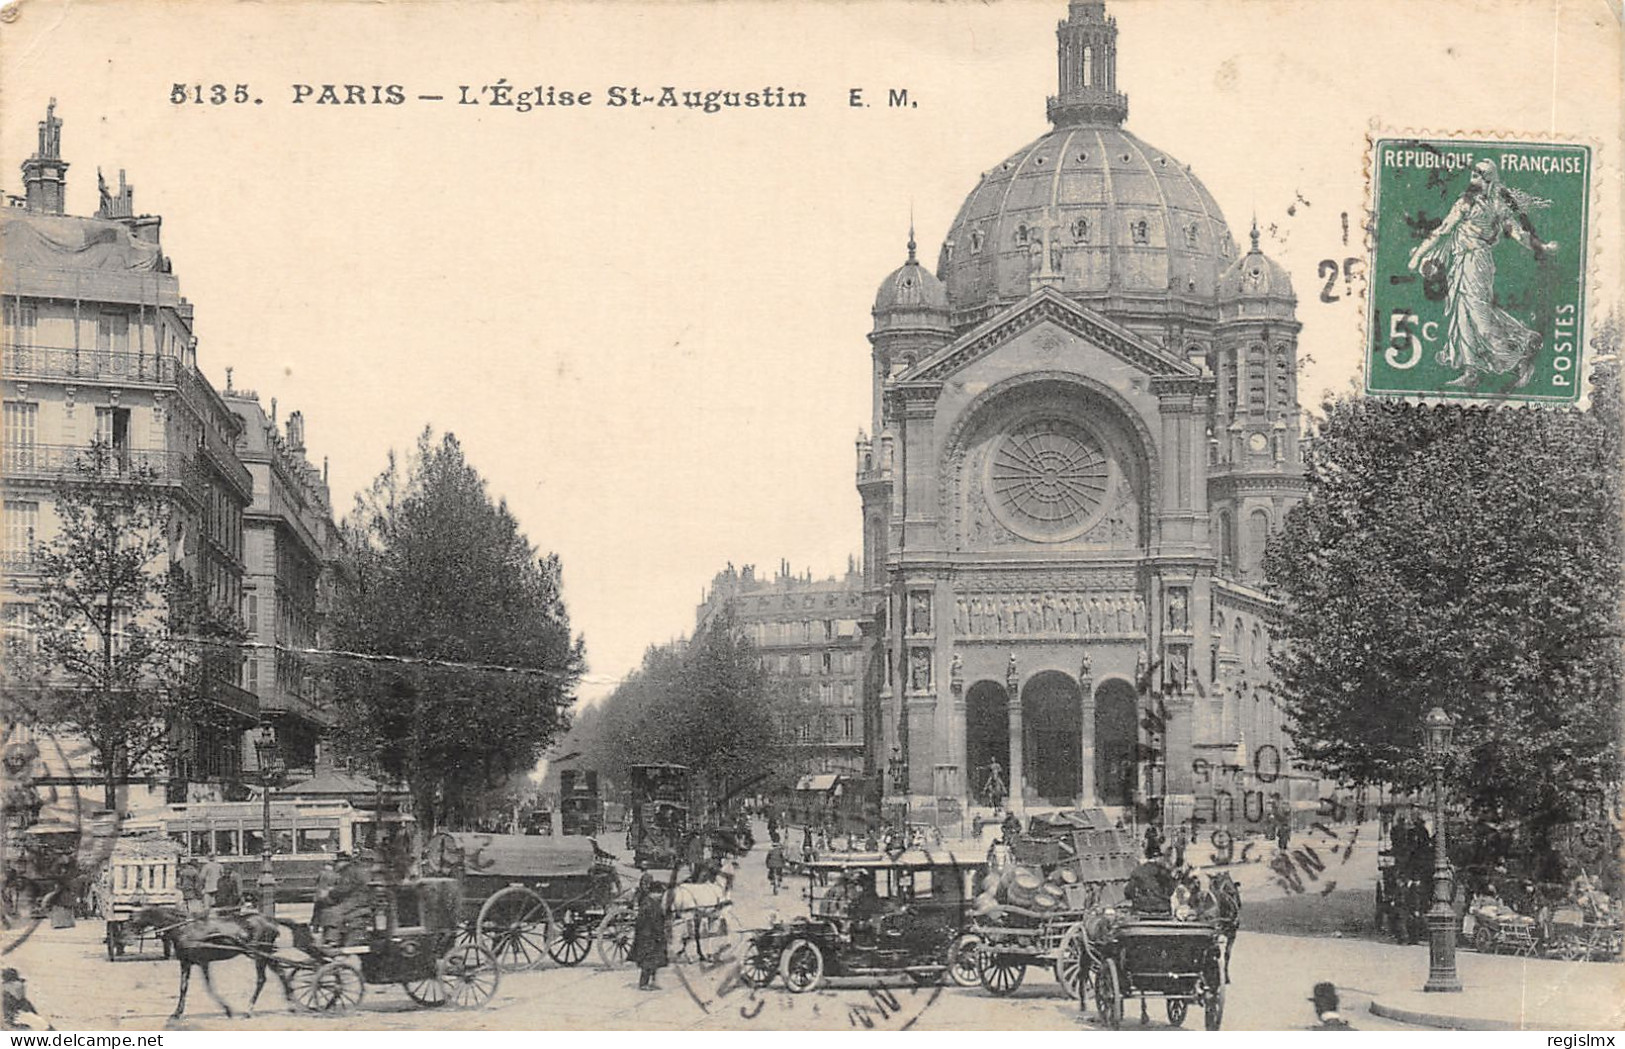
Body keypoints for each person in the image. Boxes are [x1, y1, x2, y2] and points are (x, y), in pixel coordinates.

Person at [1407, 158, 1557, 389]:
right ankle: (1471, 371)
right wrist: (1419, 255)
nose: (1473, 180)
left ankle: (1519, 360)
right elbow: (1443, 230)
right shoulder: (1465, 203)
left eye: (1478, 176)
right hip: (1460, 262)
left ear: (1489, 180)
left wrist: (1541, 247)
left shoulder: (1498, 205)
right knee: (1462, 315)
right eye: (1473, 175)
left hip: (1477, 261)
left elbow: (1517, 233)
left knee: (1480, 316)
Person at [321, 852, 371, 946]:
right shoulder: (355, 870)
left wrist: (330, 893)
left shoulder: (349, 871)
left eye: (337, 862)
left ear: (343, 862)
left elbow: (344, 888)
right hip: (360, 899)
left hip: (356, 900)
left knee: (331, 912)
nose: (335, 865)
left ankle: (332, 940)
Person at [631, 874, 668, 991]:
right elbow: (651, 922)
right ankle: (643, 984)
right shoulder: (649, 904)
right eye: (660, 894)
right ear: (655, 893)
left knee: (654, 961)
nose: (661, 896)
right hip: (648, 937)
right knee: (648, 961)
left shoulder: (652, 903)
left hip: (652, 936)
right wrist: (658, 933)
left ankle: (652, 982)